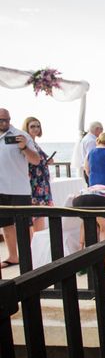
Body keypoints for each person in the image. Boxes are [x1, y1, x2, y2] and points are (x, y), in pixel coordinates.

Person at [0, 108, 41, 268]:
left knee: (23, 224)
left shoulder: (20, 135)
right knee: (5, 224)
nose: (4, 123)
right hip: (1, 188)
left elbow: (36, 160)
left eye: (7, 120)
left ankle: (28, 257)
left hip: (19, 188)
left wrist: (24, 147)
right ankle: (13, 256)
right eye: (1, 120)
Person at [22, 116, 54, 232]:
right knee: (36, 216)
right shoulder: (26, 144)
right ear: (26, 128)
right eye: (32, 126)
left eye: (38, 126)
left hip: (41, 183)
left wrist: (47, 161)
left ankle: (36, 246)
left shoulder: (34, 143)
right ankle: (34, 246)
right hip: (34, 183)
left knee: (39, 216)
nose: (36, 128)